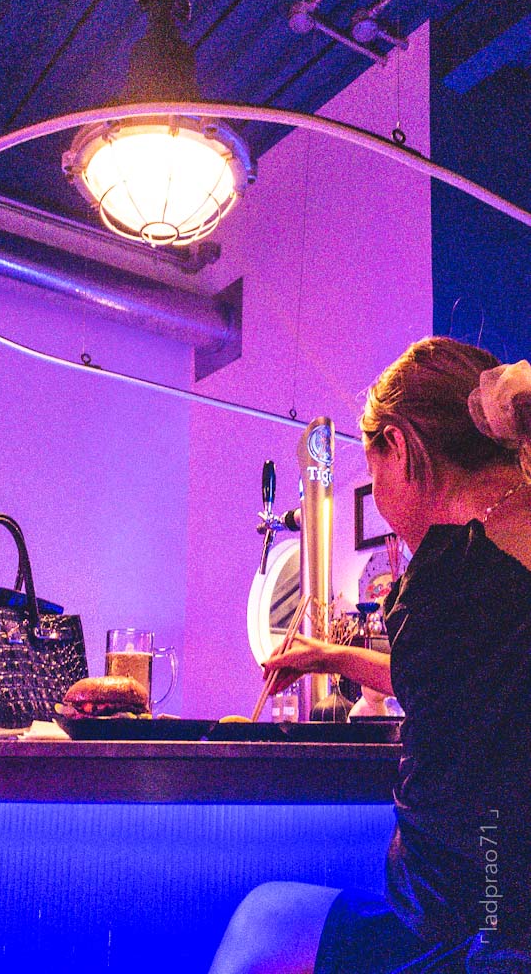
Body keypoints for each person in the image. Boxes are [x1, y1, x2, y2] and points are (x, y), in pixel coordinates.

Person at [209, 337, 531, 974]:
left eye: (372, 466)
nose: (377, 489)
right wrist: (333, 656)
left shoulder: (453, 574)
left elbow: (470, 838)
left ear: (401, 448)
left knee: (260, 920)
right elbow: (471, 690)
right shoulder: (501, 556)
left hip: (478, 937)